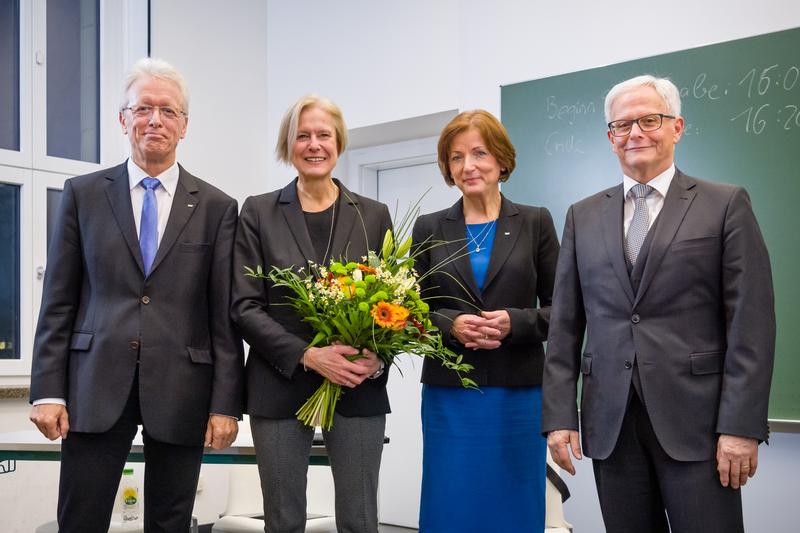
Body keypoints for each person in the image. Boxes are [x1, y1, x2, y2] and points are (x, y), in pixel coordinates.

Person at [542, 74, 775, 533]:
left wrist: (742, 426)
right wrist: (559, 416)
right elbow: (565, 326)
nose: (635, 133)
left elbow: (752, 323)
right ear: (610, 139)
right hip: (611, 426)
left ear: (677, 127)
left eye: (649, 120)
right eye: (622, 125)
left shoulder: (724, 204)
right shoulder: (581, 215)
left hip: (701, 428)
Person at [28, 57, 244, 533]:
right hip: (94, 385)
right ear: (123, 118)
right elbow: (58, 301)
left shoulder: (216, 207)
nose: (155, 120)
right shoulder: (82, 194)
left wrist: (226, 403)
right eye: (143, 107)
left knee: (171, 523)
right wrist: (47, 390)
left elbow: (223, 316)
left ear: (184, 126)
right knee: (80, 519)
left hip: (184, 387)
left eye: (168, 111)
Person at [231, 94, 392, 533]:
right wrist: (307, 355)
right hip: (279, 384)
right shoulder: (259, 212)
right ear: (289, 144)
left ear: (339, 143)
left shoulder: (373, 216)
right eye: (303, 135)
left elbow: (394, 304)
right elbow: (244, 306)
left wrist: (378, 358)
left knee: (361, 519)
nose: (314, 144)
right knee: (282, 520)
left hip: (356, 387)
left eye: (324, 134)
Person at [411, 110, 560, 532]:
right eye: (456, 157)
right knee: (450, 500)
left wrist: (515, 322)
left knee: (513, 500)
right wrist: (450, 326)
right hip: (449, 394)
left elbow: (563, 311)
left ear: (501, 160)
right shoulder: (428, 228)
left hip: (519, 392)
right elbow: (408, 313)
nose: (468, 166)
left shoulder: (535, 221)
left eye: (479, 153)